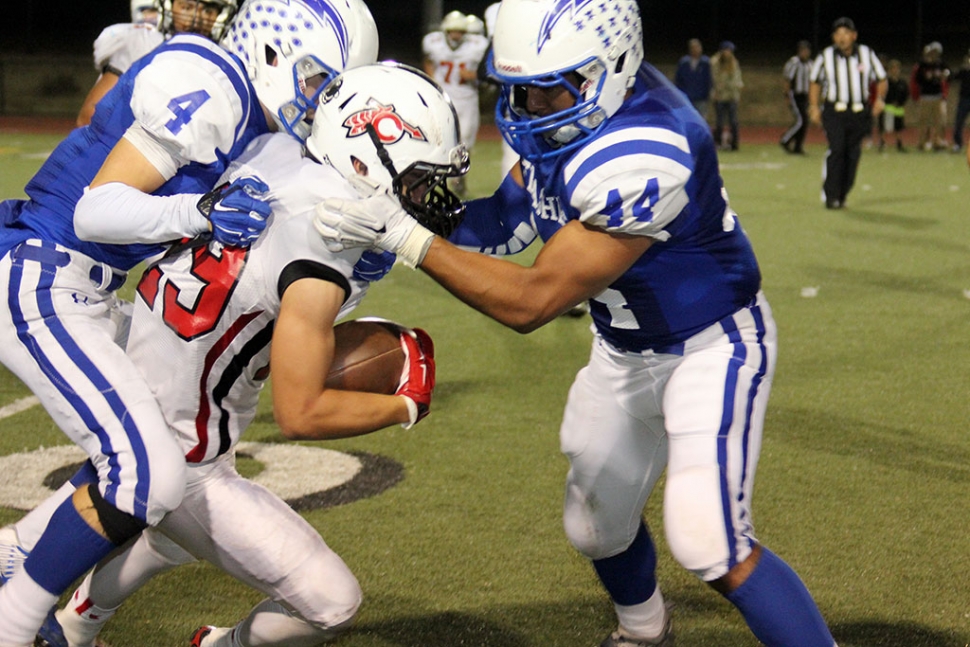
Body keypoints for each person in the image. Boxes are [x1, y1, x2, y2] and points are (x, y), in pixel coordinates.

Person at [315, 1, 839, 646]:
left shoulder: (646, 147)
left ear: (613, 65)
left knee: (709, 540)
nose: (532, 105)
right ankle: (644, 631)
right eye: (518, 89)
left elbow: (533, 302)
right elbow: (506, 224)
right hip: (622, 349)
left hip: (711, 347)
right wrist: (400, 202)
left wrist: (405, 238)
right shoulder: (571, 108)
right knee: (594, 527)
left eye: (550, 87)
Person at [37, 62, 454, 647]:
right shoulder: (322, 244)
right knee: (332, 604)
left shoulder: (276, 152)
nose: (422, 194)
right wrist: (406, 405)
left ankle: (75, 624)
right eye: (415, 179)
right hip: (184, 455)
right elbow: (301, 413)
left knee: (172, 534)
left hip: (131, 376)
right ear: (364, 158)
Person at [0, 1, 378, 645]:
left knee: (168, 462)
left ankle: (17, 557)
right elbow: (99, 212)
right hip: (42, 272)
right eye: (318, 80)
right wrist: (199, 212)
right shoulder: (211, 82)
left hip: (84, 286)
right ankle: (16, 623)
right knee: (148, 473)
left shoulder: (257, 120)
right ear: (271, 50)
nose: (320, 101)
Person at [76, 0, 240, 127]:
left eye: (208, 10)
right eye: (187, 7)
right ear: (168, 7)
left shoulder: (224, 60)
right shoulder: (142, 42)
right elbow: (90, 117)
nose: (197, 18)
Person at [809, 16, 887, 209]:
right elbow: (815, 82)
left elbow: (882, 78)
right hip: (835, 110)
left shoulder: (866, 54)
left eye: (845, 33)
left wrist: (879, 99)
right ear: (833, 37)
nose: (842, 37)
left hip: (859, 112)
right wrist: (813, 106)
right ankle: (831, 194)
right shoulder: (825, 56)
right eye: (838, 33)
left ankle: (843, 193)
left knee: (853, 154)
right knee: (837, 149)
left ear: (854, 35)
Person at [422, 10, 489, 195]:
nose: (456, 35)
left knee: (465, 142)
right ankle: (437, 178)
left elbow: (487, 71)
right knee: (437, 138)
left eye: (459, 31)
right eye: (453, 31)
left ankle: (458, 178)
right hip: (443, 98)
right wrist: (431, 78)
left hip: (467, 99)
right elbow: (428, 60)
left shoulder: (477, 45)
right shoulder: (434, 43)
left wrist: (474, 76)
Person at [910, 41, 950, 152]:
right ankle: (921, 143)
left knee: (939, 121)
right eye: (933, 51)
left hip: (937, 96)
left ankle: (937, 143)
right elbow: (917, 79)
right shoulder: (922, 64)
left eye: (936, 52)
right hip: (925, 97)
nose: (934, 54)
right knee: (923, 121)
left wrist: (945, 75)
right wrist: (926, 78)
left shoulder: (940, 64)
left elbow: (948, 74)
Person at [780, 40, 812, 154]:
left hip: (805, 96)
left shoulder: (810, 64)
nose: (805, 53)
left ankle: (798, 146)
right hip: (795, 94)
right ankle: (785, 140)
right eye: (803, 50)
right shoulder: (794, 63)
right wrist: (787, 95)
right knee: (800, 120)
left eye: (806, 50)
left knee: (804, 121)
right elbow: (787, 80)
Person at [711, 40, 743, 151]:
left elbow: (737, 81)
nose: (728, 53)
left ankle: (734, 144)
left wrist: (736, 93)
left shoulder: (734, 63)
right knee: (719, 122)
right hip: (719, 97)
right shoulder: (715, 63)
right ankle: (718, 142)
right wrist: (716, 91)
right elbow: (714, 80)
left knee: (733, 122)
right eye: (727, 50)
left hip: (731, 97)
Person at [674, 38, 712, 120]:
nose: (695, 49)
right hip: (687, 98)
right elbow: (678, 80)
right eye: (693, 47)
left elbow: (708, 80)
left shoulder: (705, 63)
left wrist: (706, 94)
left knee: (701, 120)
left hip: (701, 98)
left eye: (697, 47)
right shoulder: (683, 62)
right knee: (687, 119)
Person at [879, 59, 909, 152]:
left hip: (898, 109)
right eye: (893, 68)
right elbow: (882, 93)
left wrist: (900, 102)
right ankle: (882, 143)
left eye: (897, 68)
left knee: (898, 127)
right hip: (888, 108)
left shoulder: (902, 82)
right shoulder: (886, 82)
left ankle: (899, 144)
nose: (895, 70)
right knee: (885, 126)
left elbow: (906, 94)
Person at [953, 49, 970, 152]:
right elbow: (954, 77)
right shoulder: (964, 70)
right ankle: (958, 144)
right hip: (964, 99)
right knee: (959, 122)